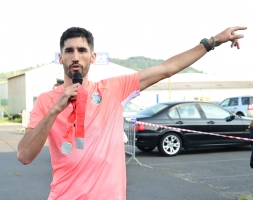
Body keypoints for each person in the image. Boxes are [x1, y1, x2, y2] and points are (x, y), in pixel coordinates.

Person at [17, 26, 247, 199]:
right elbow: (24, 156)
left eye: (82, 50)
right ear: (61, 58)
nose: (75, 56)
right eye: (69, 51)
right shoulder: (47, 101)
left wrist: (212, 42)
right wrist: (56, 110)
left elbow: (166, 69)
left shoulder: (113, 89)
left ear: (93, 57)